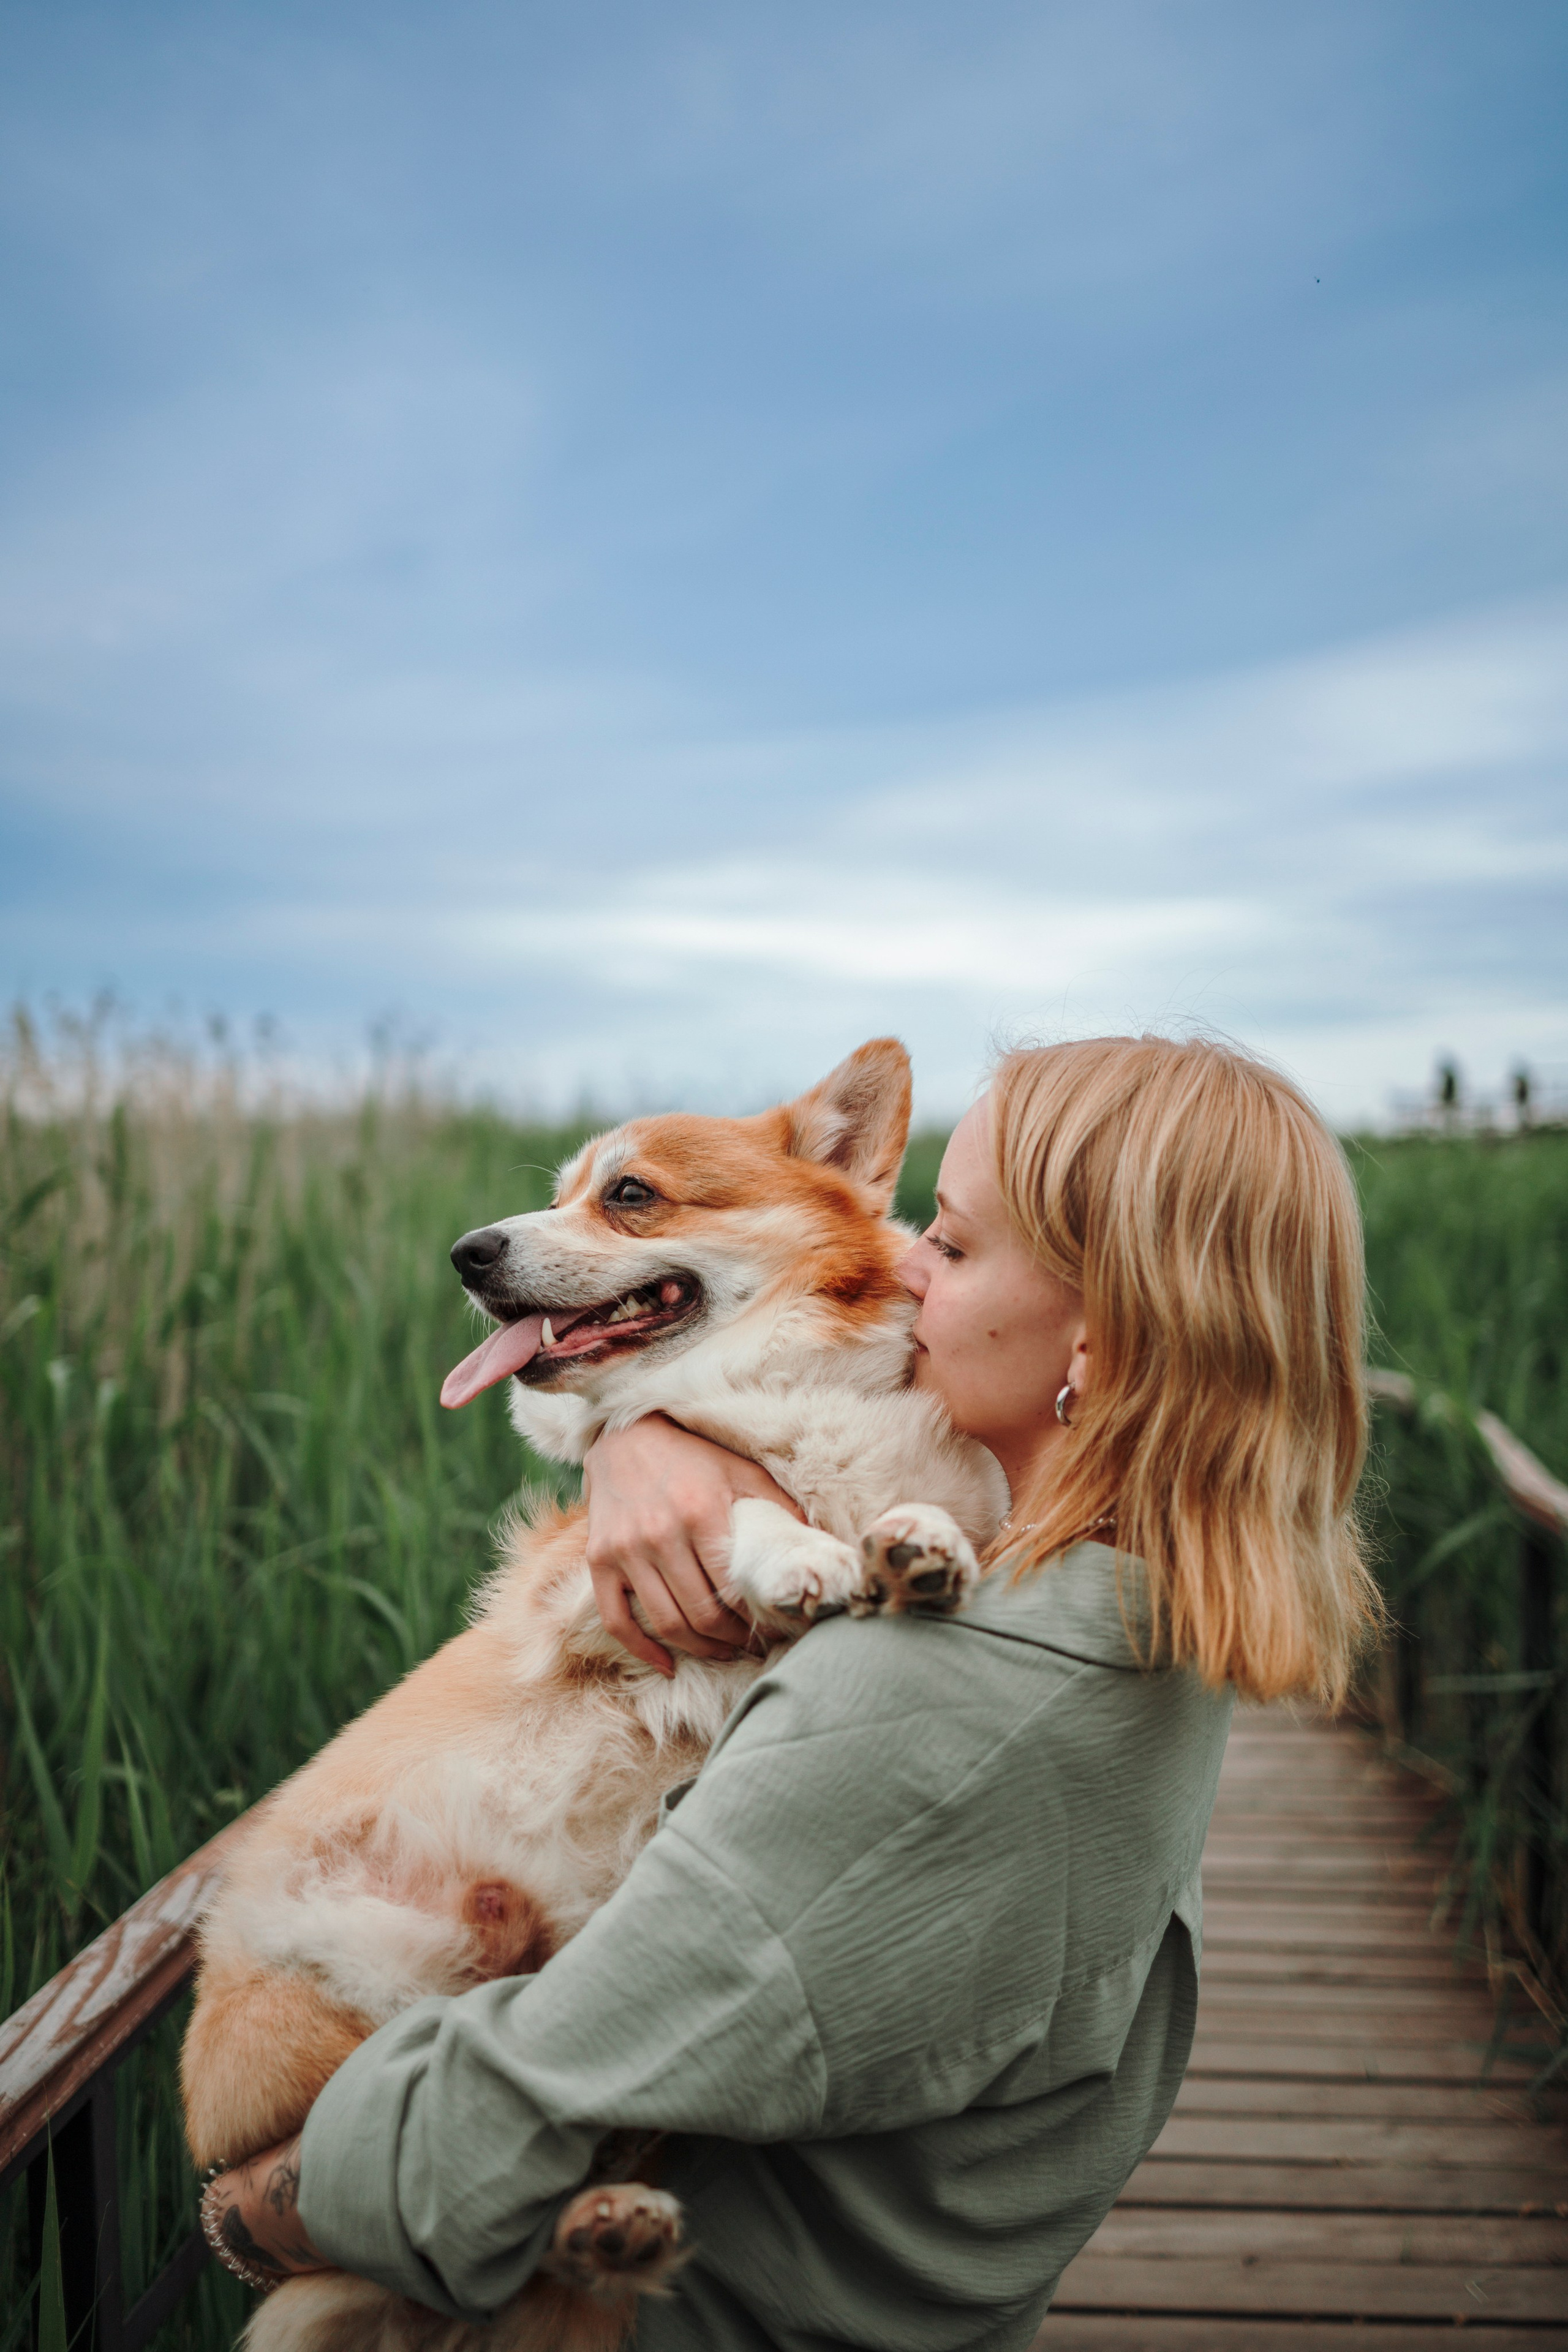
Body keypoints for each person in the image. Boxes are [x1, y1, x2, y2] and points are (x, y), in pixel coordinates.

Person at [205, 1035, 1381, 2350]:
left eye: (947, 1239)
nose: (893, 1263)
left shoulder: (926, 1709)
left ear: (1095, 1343)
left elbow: (474, 2139)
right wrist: (656, 1439)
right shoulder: (1144, 1633)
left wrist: (250, 2207)